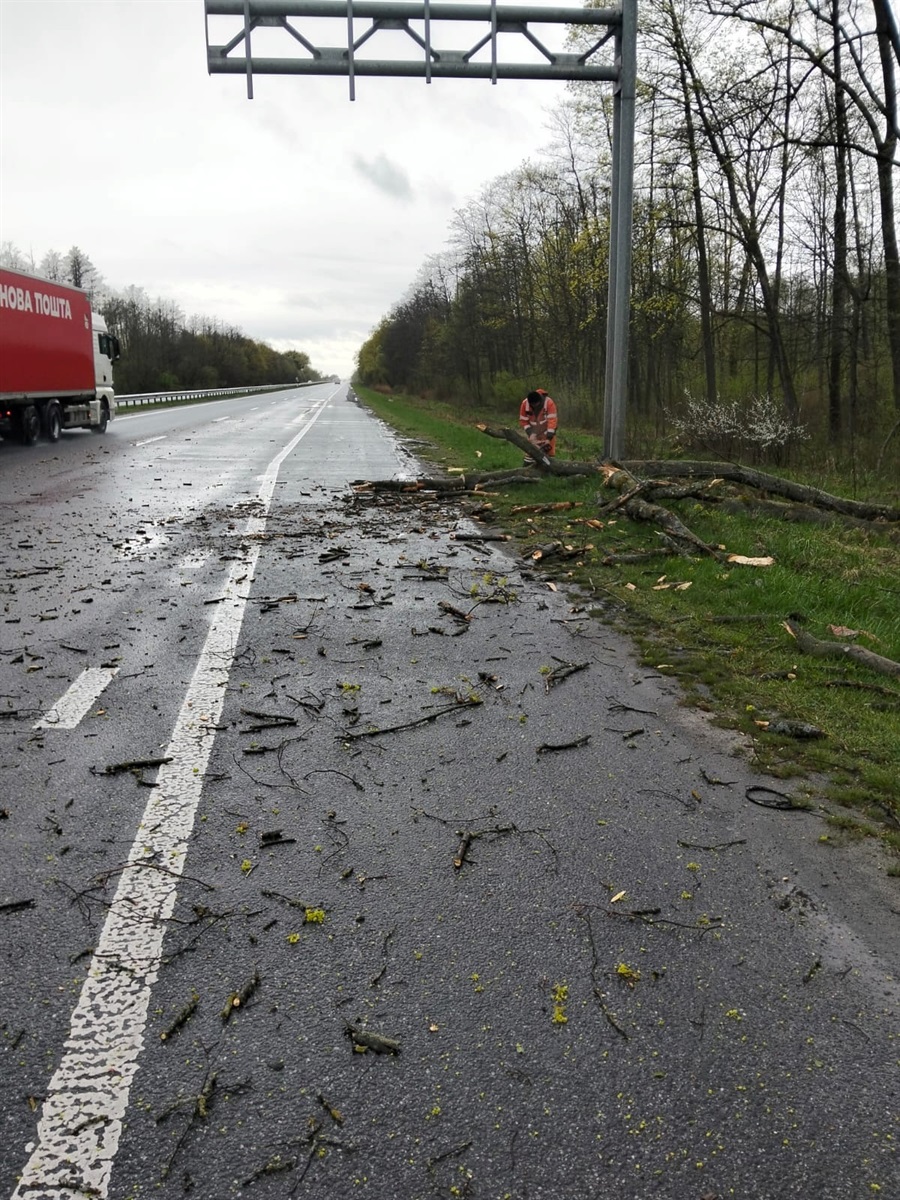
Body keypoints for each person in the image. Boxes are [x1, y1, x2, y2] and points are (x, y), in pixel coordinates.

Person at [519, 388, 558, 458]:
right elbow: (523, 421)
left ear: (540, 400)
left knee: (549, 457)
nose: (534, 406)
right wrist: (531, 434)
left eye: (536, 404)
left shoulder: (549, 403)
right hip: (533, 432)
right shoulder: (524, 404)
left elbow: (552, 421)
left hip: (547, 432)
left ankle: (549, 467)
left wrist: (548, 439)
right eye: (532, 405)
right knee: (530, 455)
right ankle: (528, 467)